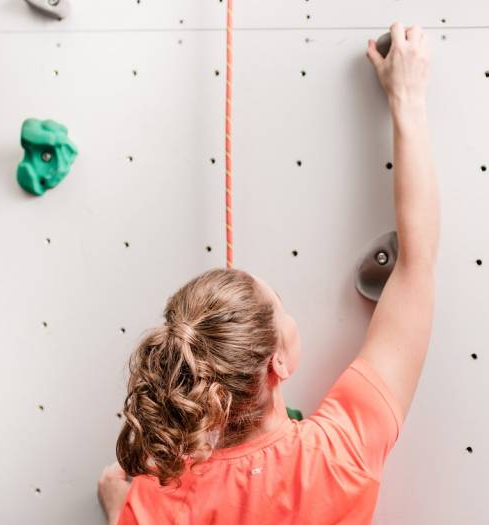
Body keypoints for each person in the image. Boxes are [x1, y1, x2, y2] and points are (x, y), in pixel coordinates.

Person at [98, 20, 438, 525]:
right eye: (282, 305)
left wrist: (118, 501)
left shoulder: (157, 504)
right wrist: (406, 101)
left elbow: (117, 487)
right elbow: (417, 262)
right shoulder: (339, 454)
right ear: (277, 361)